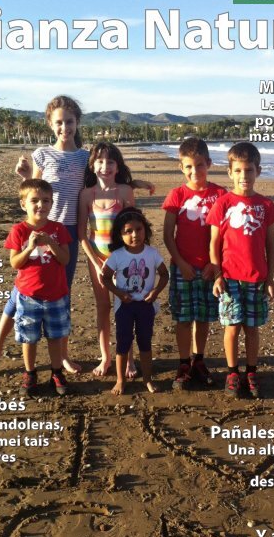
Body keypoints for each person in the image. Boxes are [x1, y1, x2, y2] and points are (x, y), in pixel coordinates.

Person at [0, 95, 153, 377]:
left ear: (77, 122)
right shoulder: (42, 155)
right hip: (41, 229)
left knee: (61, 293)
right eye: (59, 122)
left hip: (69, 233)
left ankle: (62, 356)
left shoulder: (86, 158)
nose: (65, 127)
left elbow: (106, 180)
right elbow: (34, 192)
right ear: (50, 124)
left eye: (69, 122)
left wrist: (135, 182)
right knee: (23, 291)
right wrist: (24, 177)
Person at [207, 142, 274, 399]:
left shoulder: (266, 205)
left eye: (249, 170)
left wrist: (271, 279)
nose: (244, 176)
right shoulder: (223, 204)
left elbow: (270, 245)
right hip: (229, 279)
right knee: (232, 327)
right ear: (229, 173)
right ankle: (231, 371)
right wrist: (217, 275)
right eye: (238, 171)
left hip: (257, 279)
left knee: (252, 328)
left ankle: (251, 370)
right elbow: (214, 243)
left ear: (258, 171)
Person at [162, 137, 226, 391]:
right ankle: (183, 363)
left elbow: (225, 236)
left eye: (199, 165)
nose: (194, 171)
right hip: (183, 268)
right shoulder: (177, 195)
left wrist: (215, 265)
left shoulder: (220, 195)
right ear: (181, 167)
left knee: (203, 317)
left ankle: (199, 360)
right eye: (188, 167)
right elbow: (168, 234)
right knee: (183, 318)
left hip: (210, 268)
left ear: (209, 163)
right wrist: (180, 262)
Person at [4, 179, 71, 397]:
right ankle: (30, 373)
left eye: (46, 201)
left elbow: (65, 259)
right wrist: (30, 247)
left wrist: (51, 243)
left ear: (52, 204)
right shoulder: (19, 231)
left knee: (55, 337)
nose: (40, 205)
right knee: (29, 338)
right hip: (28, 296)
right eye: (35, 200)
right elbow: (15, 263)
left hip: (56, 296)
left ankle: (56, 372)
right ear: (23, 204)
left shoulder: (58, 229)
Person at [78, 142, 137, 377]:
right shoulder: (85, 195)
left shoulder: (124, 192)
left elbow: (133, 227)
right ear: (92, 166)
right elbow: (82, 234)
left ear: (117, 166)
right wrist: (96, 263)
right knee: (103, 308)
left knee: (125, 308)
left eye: (110, 161)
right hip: (98, 260)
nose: (105, 166)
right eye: (100, 161)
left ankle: (129, 359)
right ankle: (105, 358)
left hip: (123, 260)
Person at [101, 208, 169, 395]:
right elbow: (104, 278)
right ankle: (120, 380)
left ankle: (147, 379)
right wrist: (119, 293)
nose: (134, 235)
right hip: (125, 306)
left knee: (145, 342)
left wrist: (155, 292)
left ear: (145, 229)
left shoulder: (152, 253)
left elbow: (164, 274)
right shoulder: (117, 256)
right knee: (123, 342)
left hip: (146, 306)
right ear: (119, 234)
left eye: (138, 229)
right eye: (128, 231)